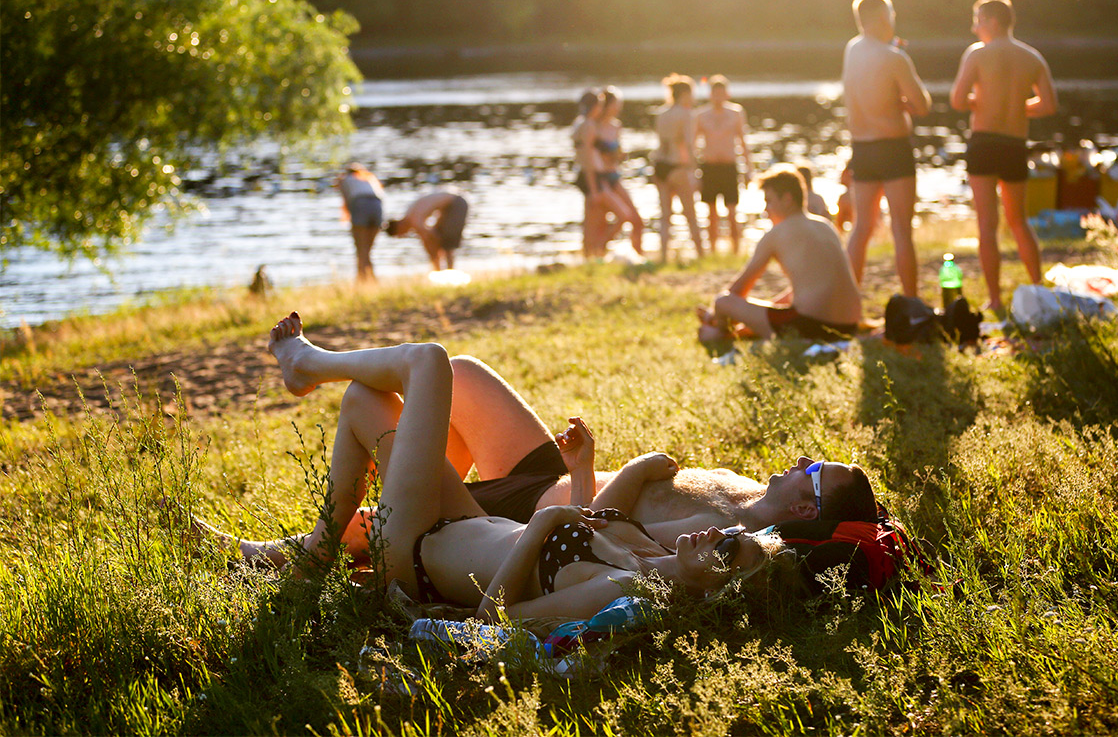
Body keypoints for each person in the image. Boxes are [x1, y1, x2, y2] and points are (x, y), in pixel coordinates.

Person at [202, 313, 796, 621]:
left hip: (418, 552)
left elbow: (495, 622)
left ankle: (306, 364)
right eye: (733, 536)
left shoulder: (629, 587)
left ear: (712, 587)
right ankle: (318, 550)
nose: (719, 535)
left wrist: (541, 526)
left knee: (430, 363)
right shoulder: (648, 550)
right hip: (458, 517)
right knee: (365, 402)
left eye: (725, 552)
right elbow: (588, 520)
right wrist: (583, 474)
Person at [949, 0, 1058, 315]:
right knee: (1019, 221)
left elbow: (957, 99)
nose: (974, 27)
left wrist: (982, 103)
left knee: (987, 225)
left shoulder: (978, 54)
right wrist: (1016, 108)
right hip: (1014, 144)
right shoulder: (1033, 57)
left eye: (978, 20)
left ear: (993, 22)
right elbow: (1049, 105)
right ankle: (1038, 285)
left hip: (983, 142)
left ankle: (995, 299)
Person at [697, 166, 862, 346]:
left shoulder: (776, 233)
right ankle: (735, 329)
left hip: (810, 326)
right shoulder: (825, 226)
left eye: (769, 201)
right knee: (779, 308)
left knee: (723, 301)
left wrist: (714, 315)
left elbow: (738, 290)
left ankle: (718, 333)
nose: (765, 210)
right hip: (849, 326)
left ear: (787, 199)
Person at [841, 0, 932, 298]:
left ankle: (849, 301)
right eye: (892, 15)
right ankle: (911, 300)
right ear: (883, 18)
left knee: (862, 228)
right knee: (901, 231)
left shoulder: (852, 49)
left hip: (862, 149)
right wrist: (902, 99)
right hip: (893, 149)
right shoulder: (895, 58)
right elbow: (922, 106)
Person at [694, 75, 754, 254]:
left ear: (727, 94)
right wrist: (693, 170)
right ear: (710, 94)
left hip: (729, 167)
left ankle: (736, 250)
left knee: (732, 211)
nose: (718, 97)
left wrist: (749, 169)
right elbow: (693, 144)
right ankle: (712, 250)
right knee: (710, 212)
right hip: (709, 167)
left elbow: (743, 142)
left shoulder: (735, 113)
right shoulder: (701, 115)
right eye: (714, 93)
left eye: (721, 93)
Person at [650, 74, 705, 262]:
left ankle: (664, 256)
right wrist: (695, 169)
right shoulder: (687, 114)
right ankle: (701, 254)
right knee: (691, 214)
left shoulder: (661, 113)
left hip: (659, 166)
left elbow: (662, 143)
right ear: (685, 94)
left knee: (665, 215)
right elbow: (689, 144)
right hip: (677, 167)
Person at [589, 86, 646, 259]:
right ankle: (600, 252)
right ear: (607, 105)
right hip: (601, 179)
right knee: (611, 220)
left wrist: (619, 155)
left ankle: (638, 256)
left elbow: (617, 155)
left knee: (637, 220)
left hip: (615, 176)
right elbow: (592, 157)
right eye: (616, 104)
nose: (619, 107)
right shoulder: (594, 127)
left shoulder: (616, 126)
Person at [571, 90, 612, 259]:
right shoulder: (588, 125)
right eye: (600, 105)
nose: (601, 109)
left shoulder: (579, 123)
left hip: (585, 174)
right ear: (595, 106)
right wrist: (594, 189)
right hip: (592, 176)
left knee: (592, 220)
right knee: (594, 220)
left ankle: (592, 256)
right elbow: (588, 157)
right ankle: (593, 253)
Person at [385, 191, 469, 270]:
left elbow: (432, 238)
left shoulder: (414, 220)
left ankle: (450, 271)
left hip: (456, 203)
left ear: (399, 227)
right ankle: (442, 270)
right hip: (445, 208)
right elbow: (429, 240)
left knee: (447, 242)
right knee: (441, 239)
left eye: (400, 234)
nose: (404, 235)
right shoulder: (410, 215)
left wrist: (435, 259)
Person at [335, 163, 385, 282]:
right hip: (377, 207)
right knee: (367, 249)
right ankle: (372, 278)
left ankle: (361, 279)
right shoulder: (369, 178)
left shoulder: (345, 180)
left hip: (360, 205)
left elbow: (346, 201)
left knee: (360, 248)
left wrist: (347, 219)